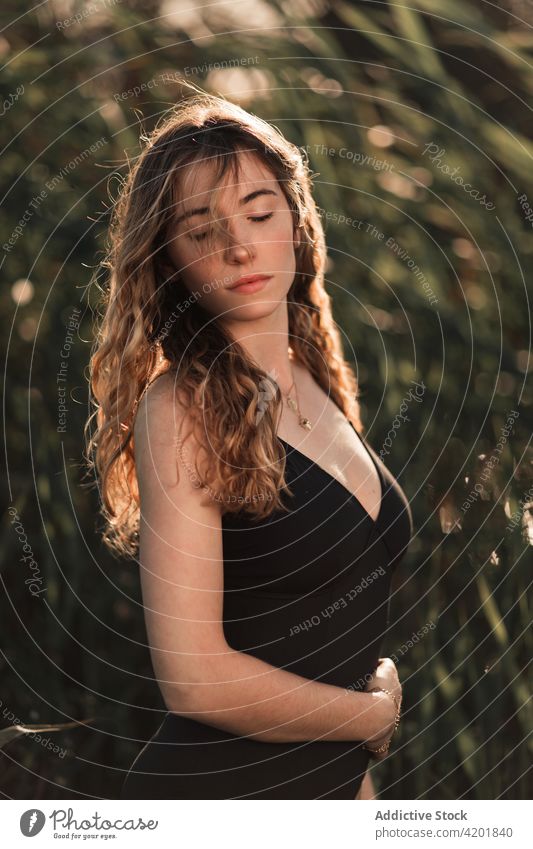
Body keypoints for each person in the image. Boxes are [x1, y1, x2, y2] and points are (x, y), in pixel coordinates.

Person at [85, 88, 413, 800]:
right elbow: (195, 678)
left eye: (259, 213)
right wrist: (368, 714)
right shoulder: (179, 409)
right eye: (202, 231)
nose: (239, 245)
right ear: (169, 259)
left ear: (295, 222)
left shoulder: (314, 371)